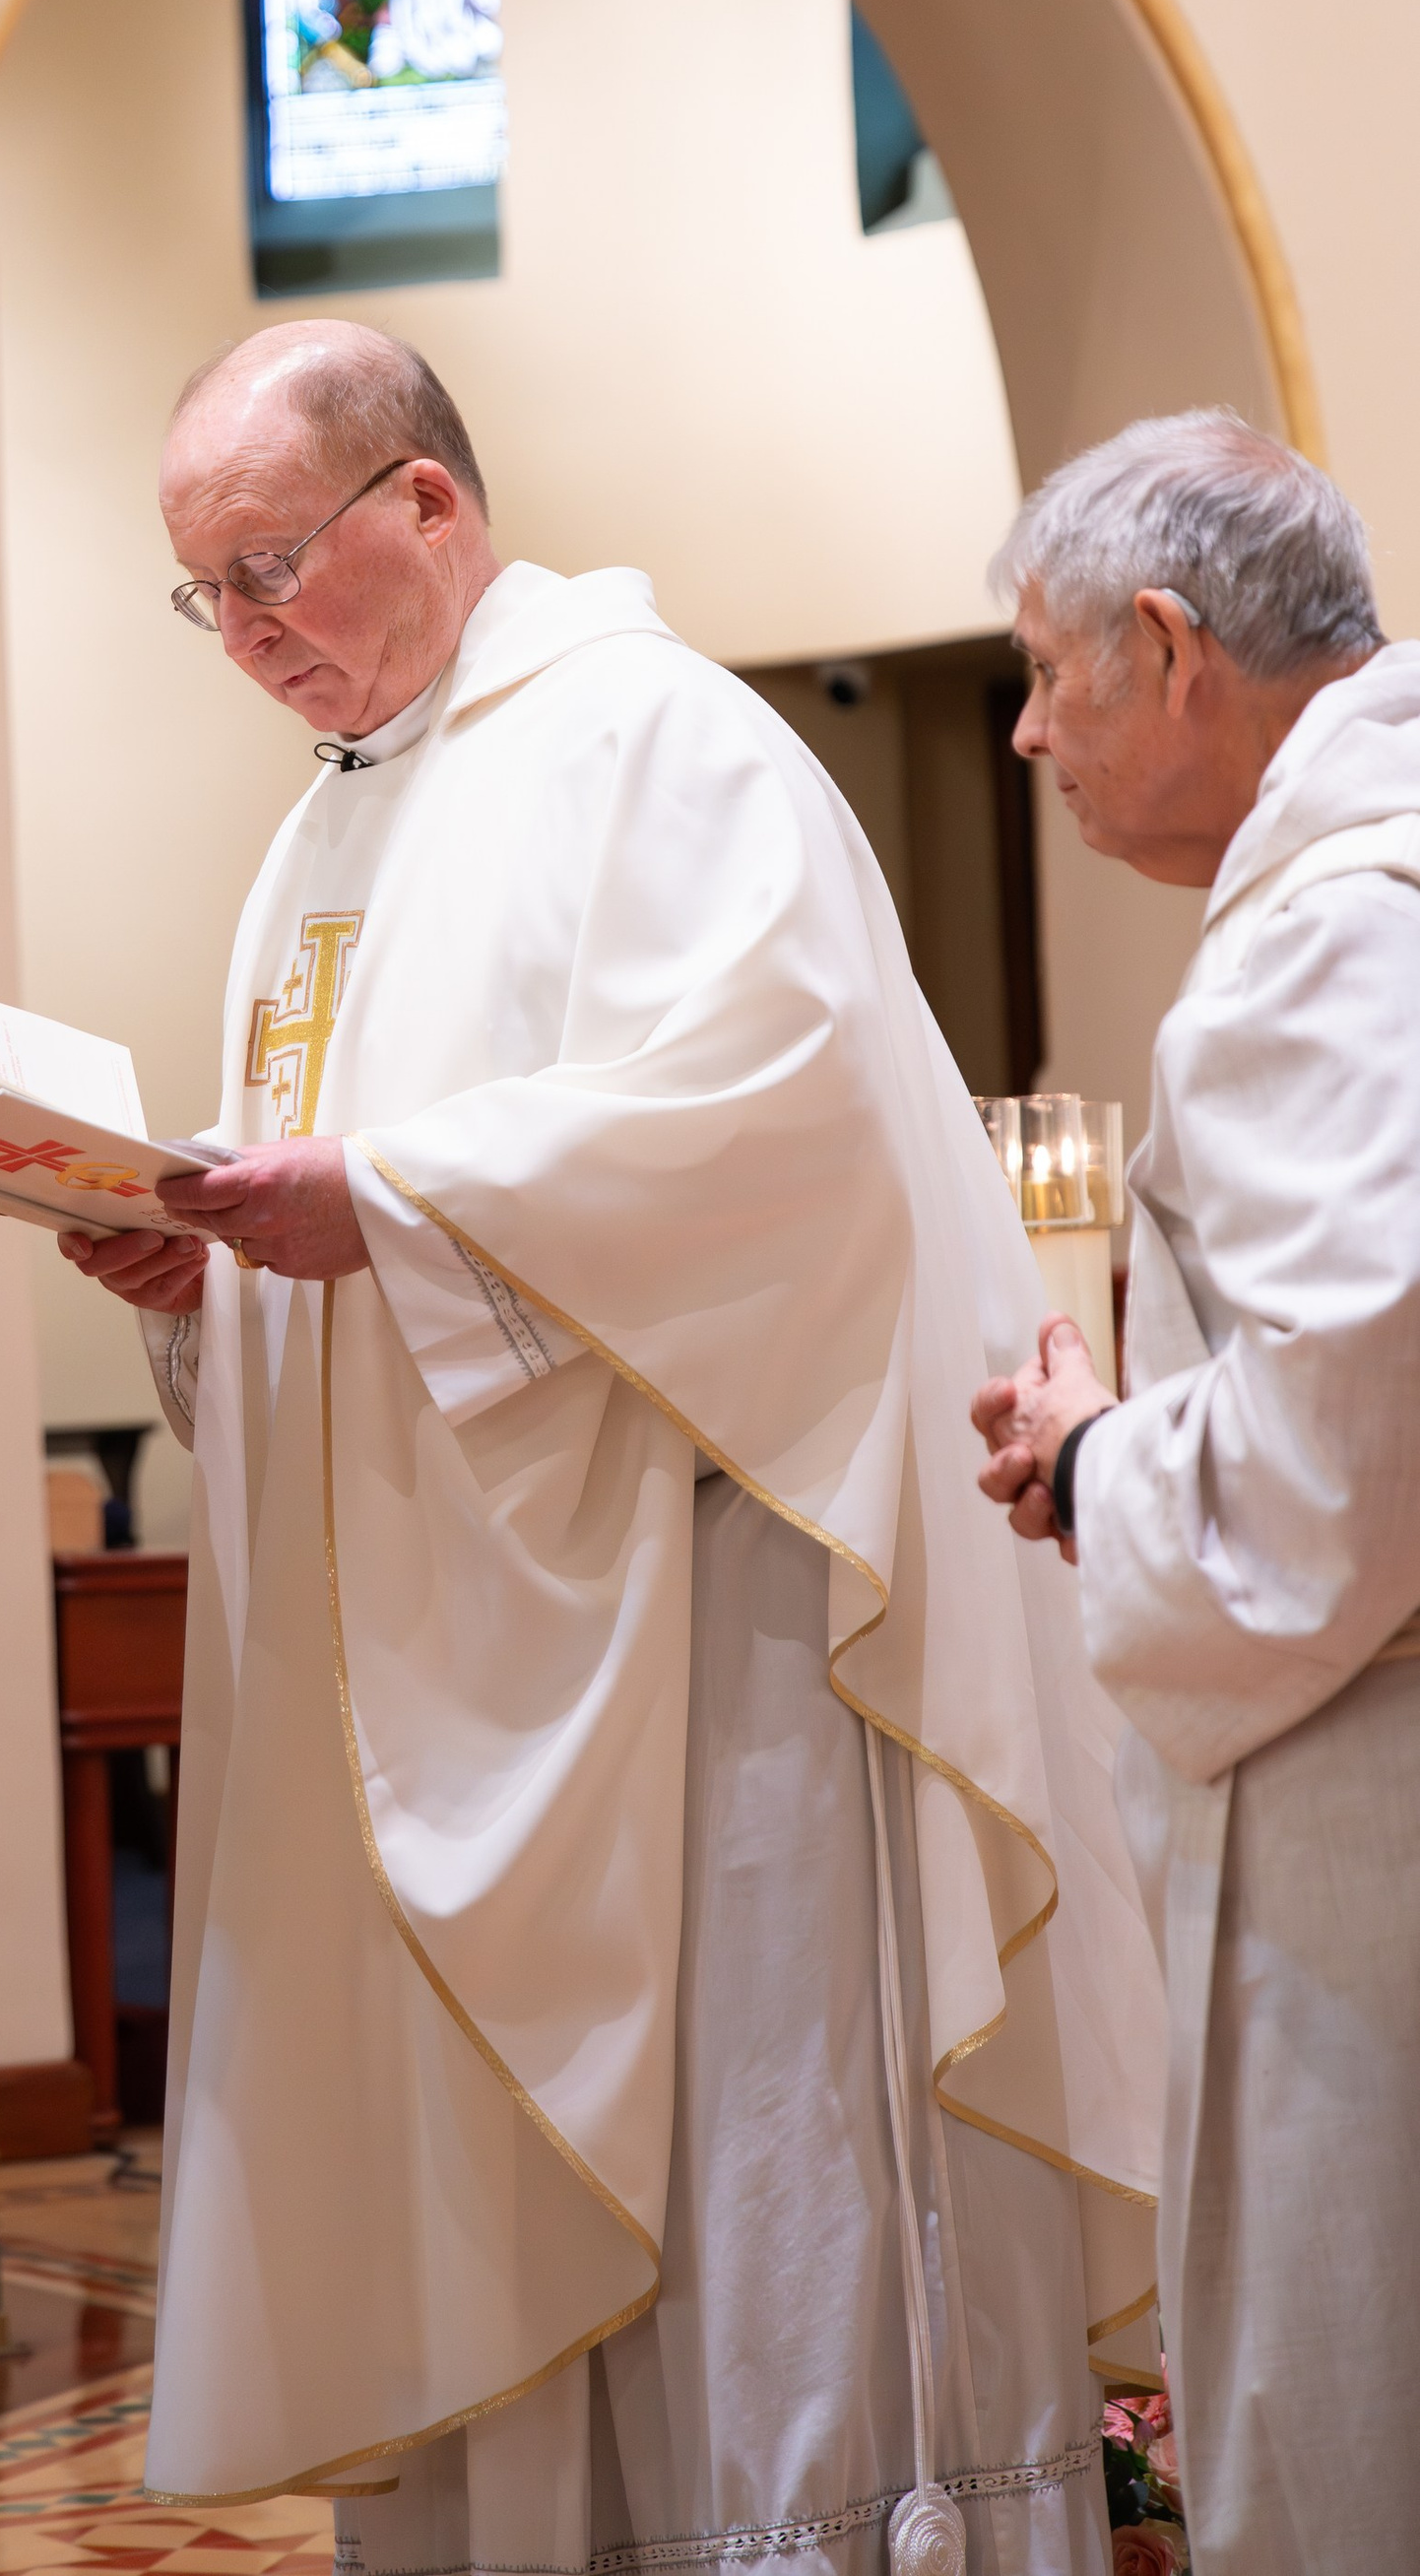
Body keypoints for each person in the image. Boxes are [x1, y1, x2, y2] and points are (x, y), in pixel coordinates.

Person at [61, 319, 1162, 2576]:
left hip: (711, 1644)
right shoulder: (318, 833)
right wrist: (211, 1278)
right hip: (446, 1665)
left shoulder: (653, 739)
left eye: (267, 564)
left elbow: (775, 1120)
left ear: (425, 501)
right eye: (204, 592)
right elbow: (327, 1222)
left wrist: (384, 1203)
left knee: (750, 2183)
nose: (244, 628)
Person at [969, 408, 1417, 2576]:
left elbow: (1345, 1445)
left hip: (1370, 1807)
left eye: (1047, 672)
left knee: (1353, 2424)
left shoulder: (1331, 936)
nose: (1030, 733)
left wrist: (1088, 1454)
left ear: (1167, 647)